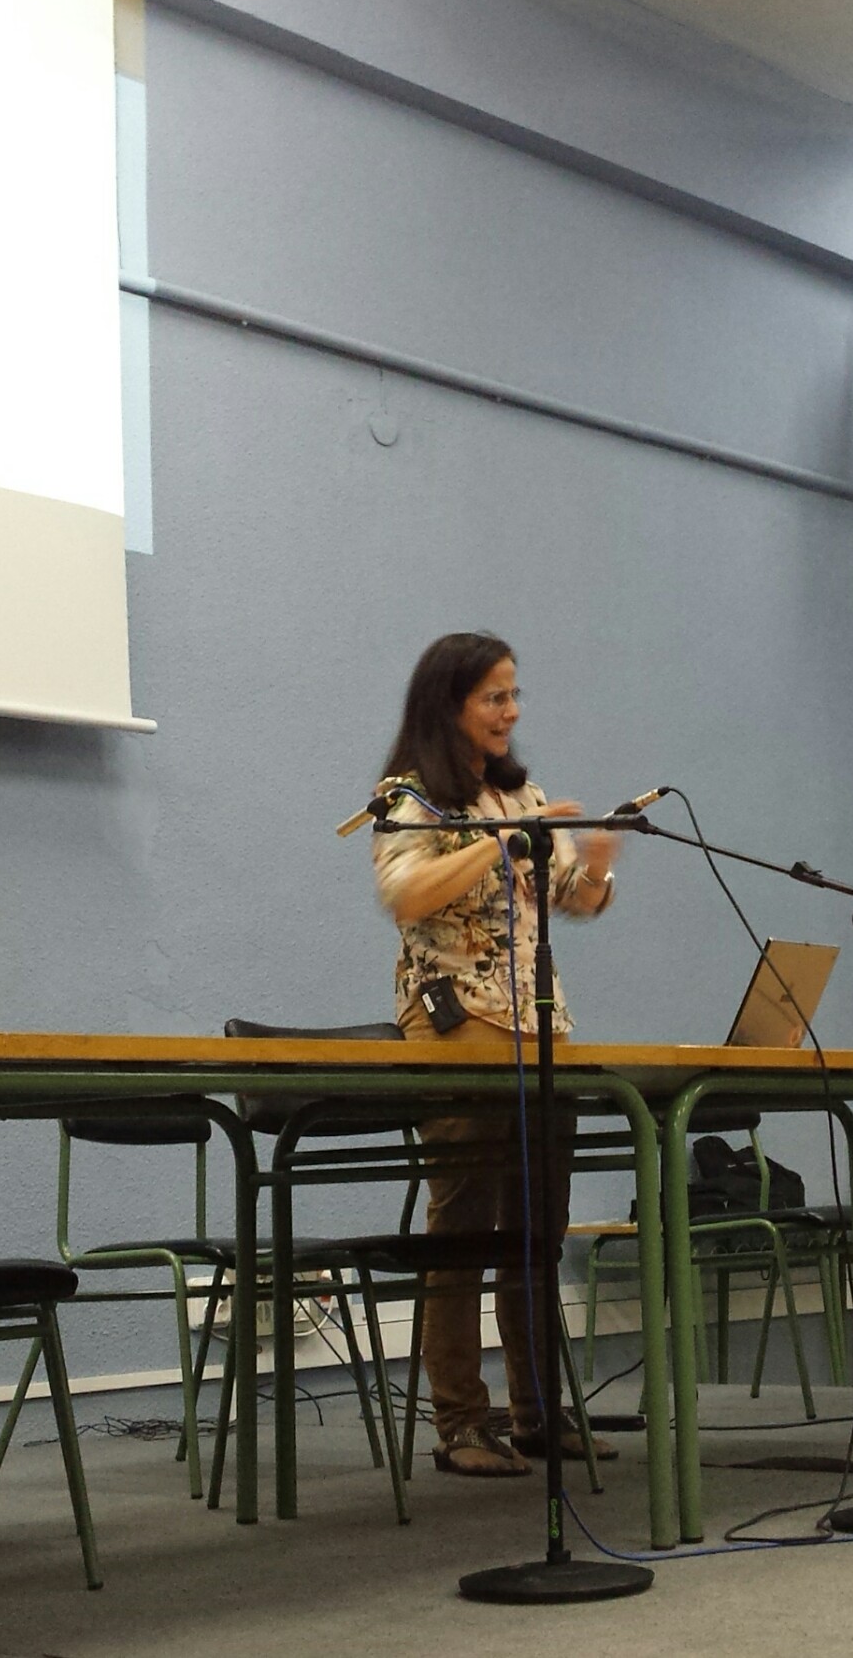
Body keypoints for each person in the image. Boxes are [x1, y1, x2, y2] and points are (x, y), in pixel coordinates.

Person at [370, 631, 621, 1478]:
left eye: (515, 694)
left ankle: (537, 1412)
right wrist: (503, 841)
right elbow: (406, 893)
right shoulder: (408, 798)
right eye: (494, 696)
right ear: (450, 704)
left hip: (541, 1026)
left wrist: (597, 865)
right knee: (464, 1226)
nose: (512, 710)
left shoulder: (521, 795)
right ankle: (460, 1421)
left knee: (538, 1232)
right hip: (456, 1024)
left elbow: (568, 896)